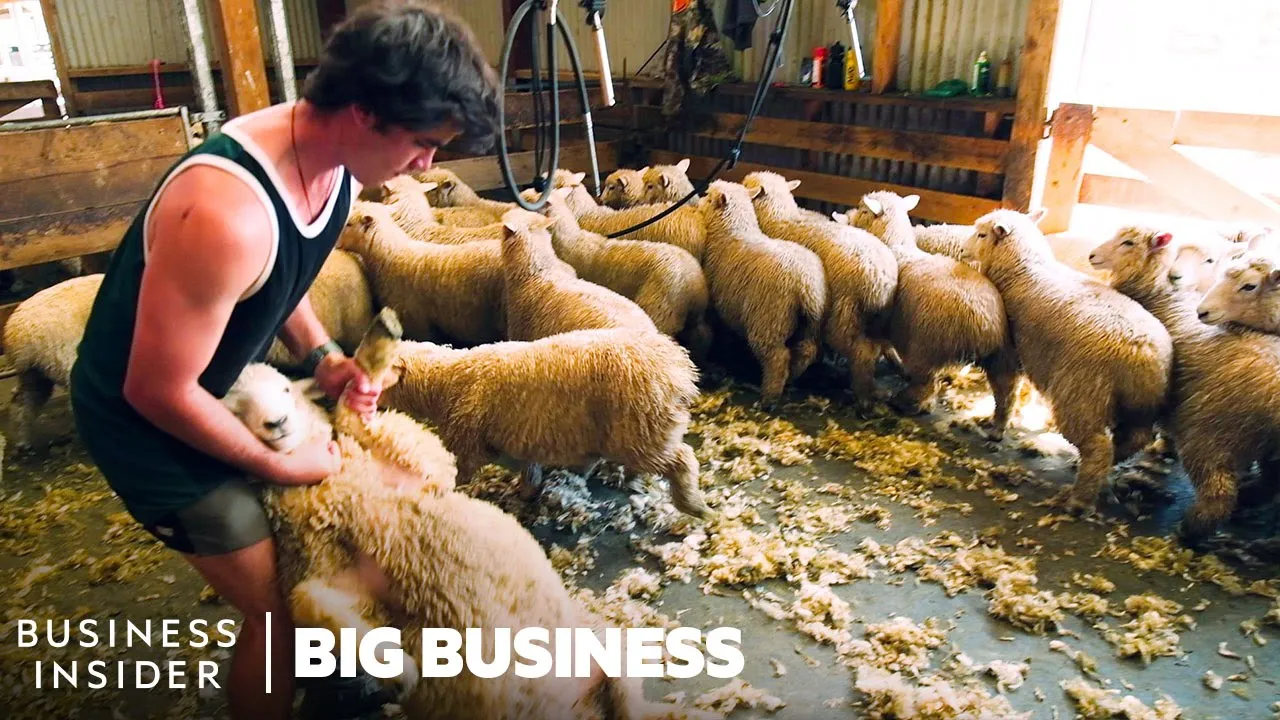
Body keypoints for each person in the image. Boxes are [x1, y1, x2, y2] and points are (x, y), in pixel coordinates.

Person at [67, 2, 500, 718]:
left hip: (217, 389)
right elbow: (156, 390)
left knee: (325, 549)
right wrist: (279, 465)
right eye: (424, 143)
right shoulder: (226, 215)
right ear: (365, 113)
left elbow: (281, 279)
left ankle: (330, 679)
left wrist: (323, 357)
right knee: (278, 608)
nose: (427, 165)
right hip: (143, 423)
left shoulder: (336, 165)